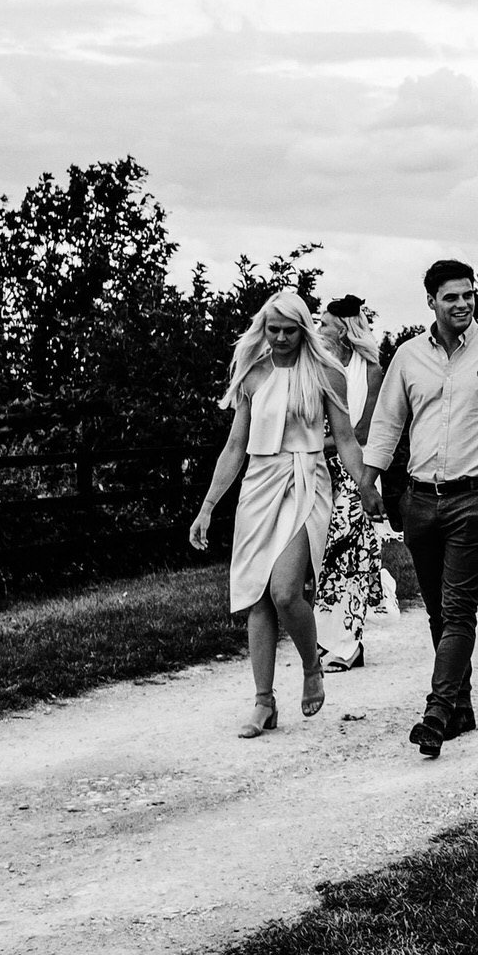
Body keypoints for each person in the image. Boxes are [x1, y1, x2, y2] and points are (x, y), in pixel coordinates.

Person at [360, 259, 478, 759]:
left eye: (468, 294)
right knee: (437, 609)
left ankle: (436, 712)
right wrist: (369, 481)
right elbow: (389, 422)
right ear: (431, 301)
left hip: (474, 498)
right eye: (451, 296)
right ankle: (462, 707)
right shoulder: (409, 356)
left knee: (458, 610)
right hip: (419, 500)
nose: (462, 303)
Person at [189, 289, 377, 737]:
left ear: (303, 329)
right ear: (263, 328)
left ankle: (313, 667)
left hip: (306, 481)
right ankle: (263, 702)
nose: (279, 338)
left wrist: (366, 486)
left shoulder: (326, 374)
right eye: (272, 329)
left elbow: (348, 439)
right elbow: (234, 447)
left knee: (287, 591)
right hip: (259, 483)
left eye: (289, 330)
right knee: (257, 594)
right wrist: (208, 507)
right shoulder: (252, 375)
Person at [313, 295, 390, 670]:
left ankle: (348, 644)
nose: (319, 330)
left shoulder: (371, 369)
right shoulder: (317, 366)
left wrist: (309, 442)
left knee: (352, 557)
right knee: (322, 558)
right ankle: (325, 639)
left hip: (358, 472)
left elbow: (360, 431)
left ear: (343, 330)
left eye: (325, 324)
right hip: (318, 473)